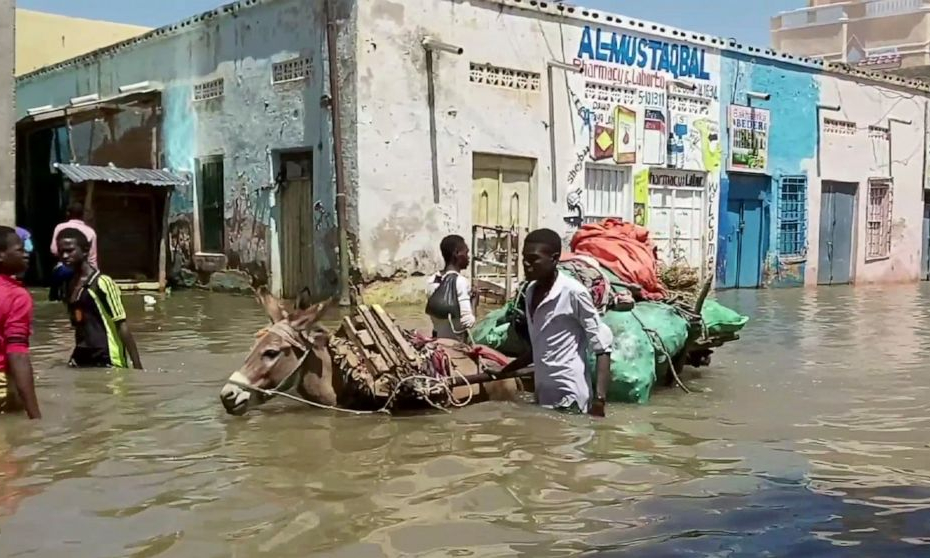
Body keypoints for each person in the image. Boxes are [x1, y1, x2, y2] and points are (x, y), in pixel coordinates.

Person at [499, 228, 613, 417]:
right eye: (523, 258)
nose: (526, 264)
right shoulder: (530, 292)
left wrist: (599, 400)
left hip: (571, 395)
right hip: (543, 393)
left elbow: (602, 348)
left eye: (533, 259)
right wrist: (505, 370)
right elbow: (539, 346)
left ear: (554, 258)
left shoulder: (574, 293)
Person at [56, 228, 143, 370]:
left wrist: (138, 367)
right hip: (82, 355)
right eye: (61, 252)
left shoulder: (102, 283)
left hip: (107, 356)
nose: (65, 256)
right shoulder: (69, 283)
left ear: (85, 251)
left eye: (70, 251)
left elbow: (121, 325)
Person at [0, 226, 42, 419]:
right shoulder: (16, 296)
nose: (26, 254)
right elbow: (17, 355)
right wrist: (35, 417)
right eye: (19, 250)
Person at [425, 235, 478, 342]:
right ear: (457, 253)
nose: (468, 257)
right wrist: (474, 302)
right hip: (454, 343)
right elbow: (468, 322)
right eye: (466, 253)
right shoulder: (461, 282)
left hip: (437, 340)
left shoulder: (431, 280)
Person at [51, 202, 98, 267]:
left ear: (67, 213)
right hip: (82, 269)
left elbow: (54, 250)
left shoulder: (59, 227)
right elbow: (92, 258)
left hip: (64, 267)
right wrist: (94, 274)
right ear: (83, 215)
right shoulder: (90, 232)